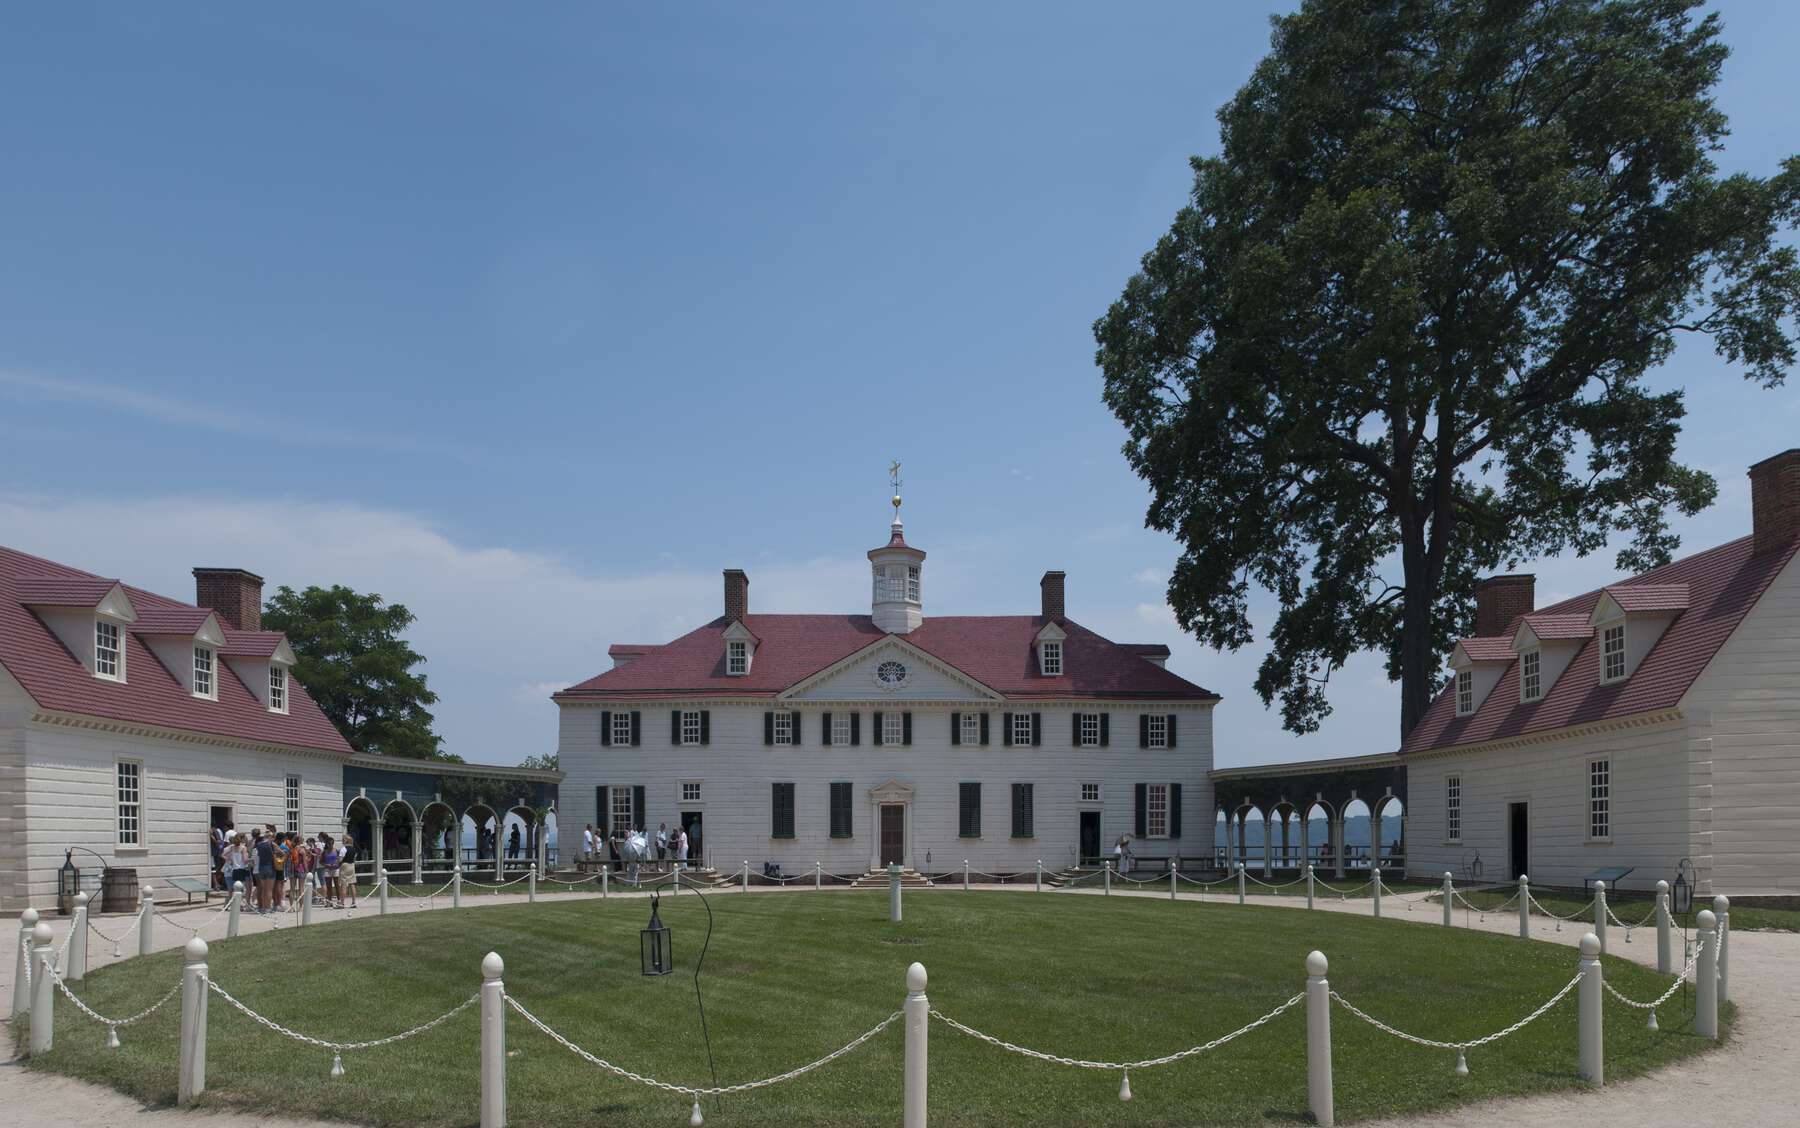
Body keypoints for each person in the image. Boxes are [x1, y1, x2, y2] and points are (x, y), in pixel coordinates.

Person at [253, 828, 276, 913]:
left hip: (261, 868)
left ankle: (262, 907)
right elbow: (281, 852)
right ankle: (268, 907)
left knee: (263, 889)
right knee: (269, 889)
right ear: (270, 836)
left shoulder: (259, 845)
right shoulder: (271, 844)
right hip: (270, 867)